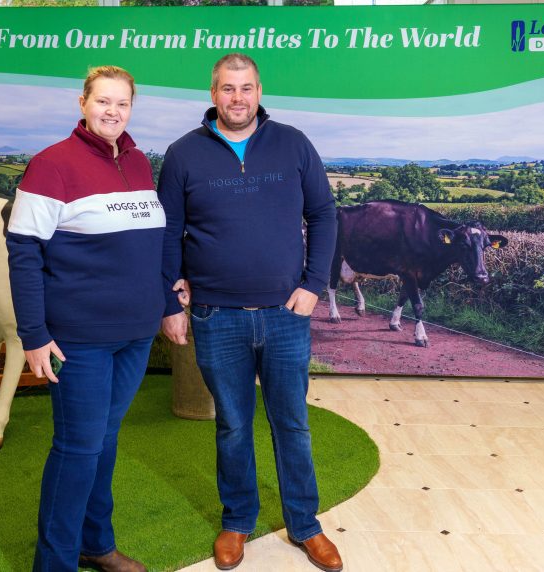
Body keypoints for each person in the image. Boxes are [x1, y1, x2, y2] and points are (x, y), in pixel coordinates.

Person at [158, 53, 342, 572]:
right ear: (213, 92)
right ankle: (237, 520)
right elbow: (168, 232)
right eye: (226, 88)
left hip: (286, 314)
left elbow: (324, 214)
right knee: (233, 426)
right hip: (217, 317)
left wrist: (313, 285)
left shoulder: (293, 143)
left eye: (246, 88)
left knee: (293, 424)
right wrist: (170, 303)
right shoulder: (183, 154)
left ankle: (306, 525)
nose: (237, 98)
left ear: (259, 90)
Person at [7, 65, 165, 572]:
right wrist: (33, 333)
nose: (112, 111)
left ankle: (97, 544)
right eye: (103, 101)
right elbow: (24, 253)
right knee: (78, 448)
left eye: (122, 103)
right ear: (83, 103)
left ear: (131, 108)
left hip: (135, 335)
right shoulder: (51, 164)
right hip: (79, 338)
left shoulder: (139, 162)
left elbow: (149, 247)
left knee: (105, 439)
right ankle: (53, 564)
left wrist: (166, 305)